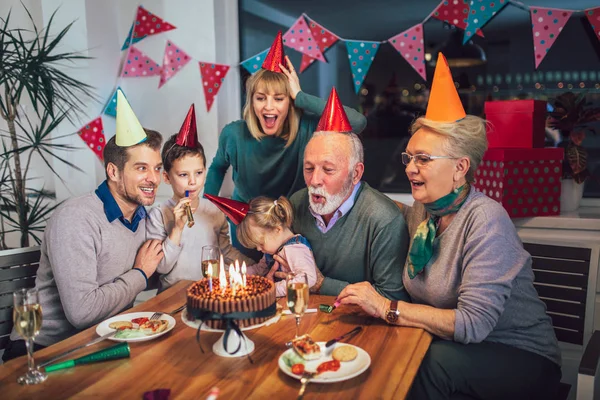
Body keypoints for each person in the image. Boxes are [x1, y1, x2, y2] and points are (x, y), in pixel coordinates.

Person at [337, 54, 561, 400]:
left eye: (424, 159)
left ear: (460, 167)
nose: (411, 168)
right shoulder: (423, 213)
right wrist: (339, 187)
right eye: (409, 157)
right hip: (456, 349)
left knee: (424, 366)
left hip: (521, 355)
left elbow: (473, 325)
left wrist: (385, 306)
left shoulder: (486, 220)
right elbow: (381, 206)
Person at [2, 91, 164, 362]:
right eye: (141, 168)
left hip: (103, 340)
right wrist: (140, 272)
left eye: (157, 168)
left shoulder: (142, 217)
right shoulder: (75, 219)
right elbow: (82, 313)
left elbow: (154, 273)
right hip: (45, 352)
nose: (153, 178)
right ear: (113, 172)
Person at [204, 32, 366, 259]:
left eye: (279, 98)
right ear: (251, 102)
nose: (268, 107)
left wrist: (300, 95)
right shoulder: (233, 134)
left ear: (290, 103)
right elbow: (217, 167)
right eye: (261, 98)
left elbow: (358, 122)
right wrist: (209, 207)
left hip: (291, 224)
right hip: (248, 226)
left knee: (289, 282)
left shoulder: (307, 129)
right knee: (250, 285)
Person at [283, 87, 409, 299]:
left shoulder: (383, 219)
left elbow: (391, 299)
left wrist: (322, 284)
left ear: (356, 173)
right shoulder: (296, 203)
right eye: (309, 168)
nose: (314, 181)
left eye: (328, 170)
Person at [146, 106, 253, 290]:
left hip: (209, 292)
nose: (193, 182)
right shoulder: (159, 214)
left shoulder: (214, 211)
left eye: (199, 172)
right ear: (166, 177)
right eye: (183, 175)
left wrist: (257, 267)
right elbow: (162, 268)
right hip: (172, 297)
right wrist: (177, 228)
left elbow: (226, 252)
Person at [236, 196, 318, 297]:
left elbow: (308, 278)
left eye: (261, 243)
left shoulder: (295, 249)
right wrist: (237, 275)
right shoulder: (273, 250)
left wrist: (272, 289)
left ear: (277, 230)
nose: (258, 249)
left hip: (298, 303)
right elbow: (260, 269)